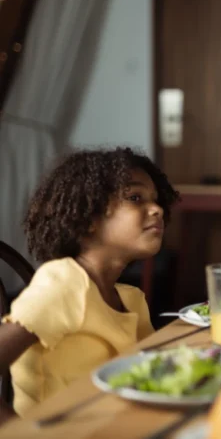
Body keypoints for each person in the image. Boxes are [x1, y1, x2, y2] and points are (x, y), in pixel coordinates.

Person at [0, 148, 179, 422]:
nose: (157, 210)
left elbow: (154, 374)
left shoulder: (131, 299)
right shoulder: (63, 283)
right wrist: (20, 431)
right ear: (89, 218)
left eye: (156, 201)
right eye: (135, 198)